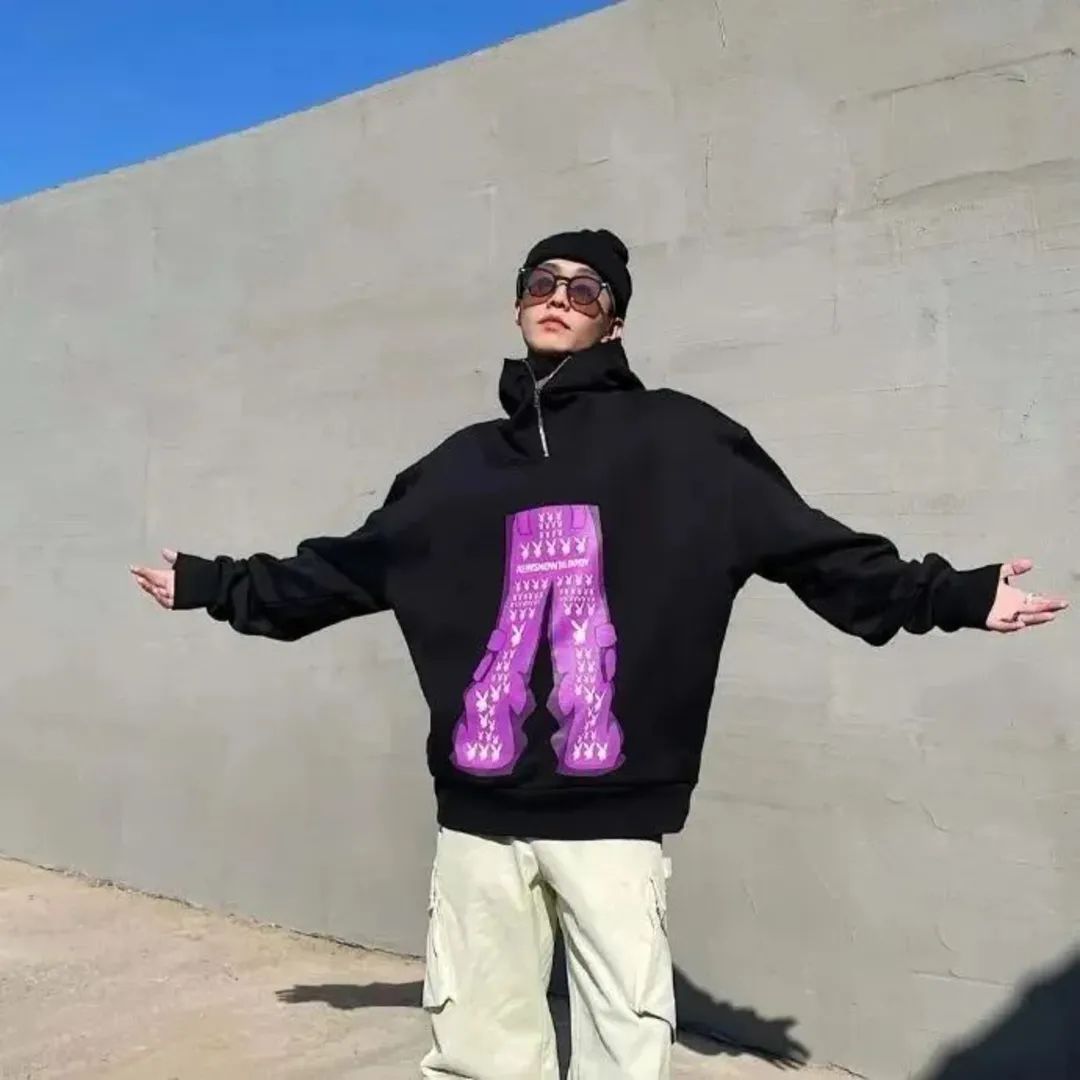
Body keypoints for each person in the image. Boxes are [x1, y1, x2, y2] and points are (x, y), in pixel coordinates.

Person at [130, 227, 1067, 1080]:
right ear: (517, 302)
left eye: (585, 289)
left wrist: (957, 595)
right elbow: (344, 568)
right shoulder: (454, 468)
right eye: (543, 281)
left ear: (613, 321)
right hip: (479, 817)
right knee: (478, 1044)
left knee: (624, 1047)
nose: (560, 297)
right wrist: (216, 583)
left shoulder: (688, 441)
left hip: (614, 816)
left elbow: (815, 549)